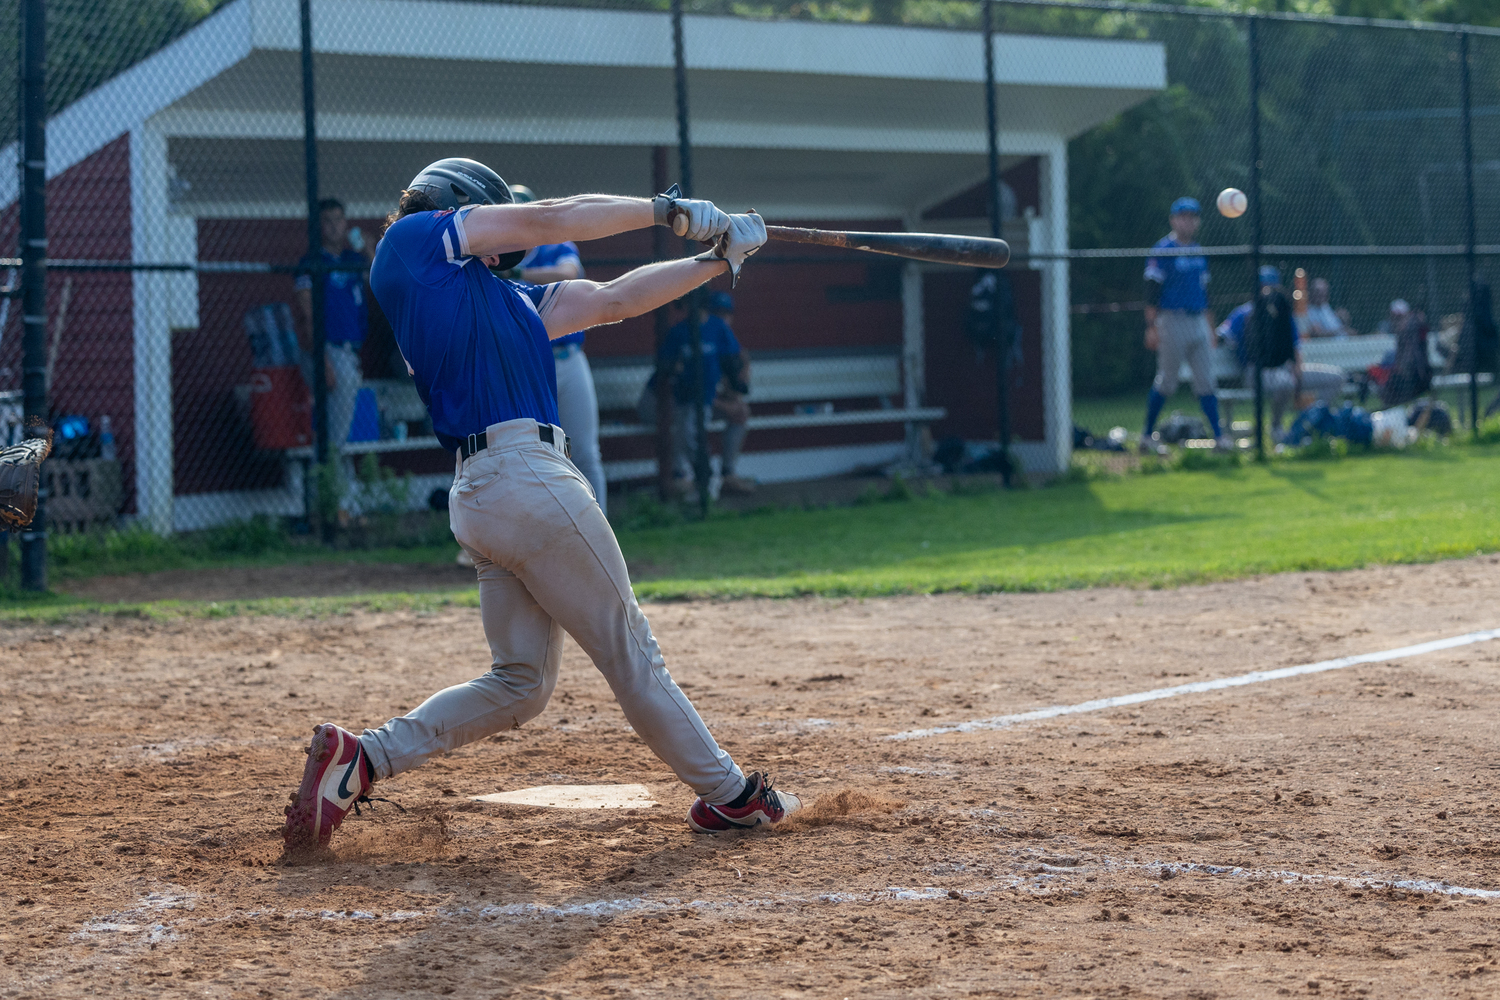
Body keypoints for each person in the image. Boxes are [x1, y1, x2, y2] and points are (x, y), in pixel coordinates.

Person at [282, 158, 796, 850]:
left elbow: (613, 299)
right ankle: (734, 795)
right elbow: (552, 216)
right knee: (631, 651)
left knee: (521, 682)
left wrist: (717, 260)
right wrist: (666, 210)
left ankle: (364, 759)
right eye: (491, 230)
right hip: (524, 479)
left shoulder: (505, 301)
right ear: (455, 206)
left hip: (493, 494)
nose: (503, 250)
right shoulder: (410, 245)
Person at [509, 184, 607, 516]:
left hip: (568, 358)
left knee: (585, 452)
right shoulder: (494, 256)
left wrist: (519, 273)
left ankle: (600, 527)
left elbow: (570, 272)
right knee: (531, 454)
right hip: (528, 365)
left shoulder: (554, 246)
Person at [1217, 266, 1345, 434]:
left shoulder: (1282, 313)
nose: (1268, 291)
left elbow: (1295, 345)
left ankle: (1311, 421)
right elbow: (1222, 335)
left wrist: (1297, 369)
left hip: (1287, 369)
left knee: (1336, 378)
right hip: (1255, 371)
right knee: (1285, 383)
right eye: (1264, 286)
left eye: (1272, 287)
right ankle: (1276, 428)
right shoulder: (1243, 313)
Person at [1142, 197, 1225, 450]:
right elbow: (1151, 292)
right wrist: (1151, 326)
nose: (1187, 221)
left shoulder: (1199, 251)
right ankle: (1146, 437)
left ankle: (1220, 438)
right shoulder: (1163, 249)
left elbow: (1206, 294)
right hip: (1171, 319)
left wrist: (1211, 328)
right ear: (1173, 220)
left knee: (1206, 381)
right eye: (1183, 216)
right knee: (1167, 381)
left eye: (1192, 217)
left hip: (1198, 320)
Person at [295, 198, 373, 458]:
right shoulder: (311, 262)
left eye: (339, 220)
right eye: (327, 221)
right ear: (318, 226)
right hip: (327, 349)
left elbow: (382, 281)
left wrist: (368, 249)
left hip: (351, 351)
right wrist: (323, 359)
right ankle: (327, 480)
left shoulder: (353, 259)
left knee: (338, 427)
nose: (334, 227)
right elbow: (307, 313)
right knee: (334, 433)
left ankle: (332, 478)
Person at [657, 291, 755, 496]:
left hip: (704, 402)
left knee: (735, 412)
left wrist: (738, 383)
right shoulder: (679, 332)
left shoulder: (717, 329)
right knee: (688, 426)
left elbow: (735, 364)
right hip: (677, 402)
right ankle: (693, 477)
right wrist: (675, 369)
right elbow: (666, 374)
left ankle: (724, 475)